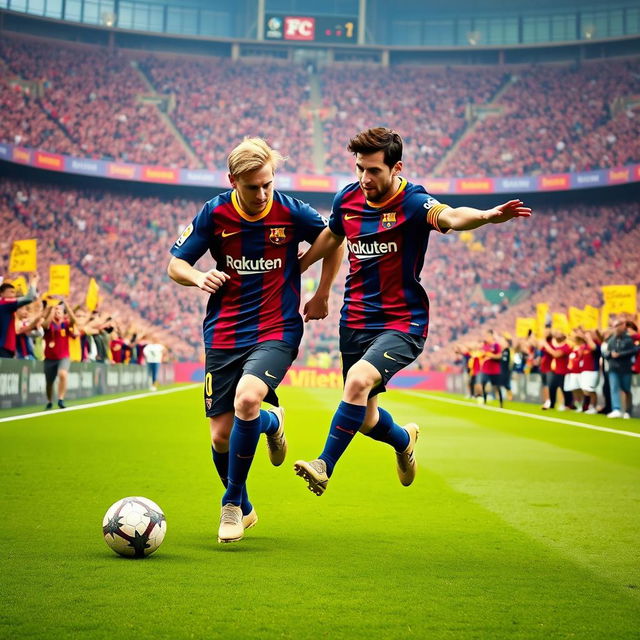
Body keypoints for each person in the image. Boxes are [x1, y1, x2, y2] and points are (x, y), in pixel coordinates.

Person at [293, 127, 531, 496]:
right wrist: (306, 269)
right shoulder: (348, 198)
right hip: (355, 318)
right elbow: (334, 234)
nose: (364, 178)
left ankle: (324, 465)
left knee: (357, 381)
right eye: (359, 168)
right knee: (366, 417)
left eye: (373, 170)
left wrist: (485, 216)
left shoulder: (413, 201)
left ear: (396, 167)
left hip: (403, 321)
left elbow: (450, 217)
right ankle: (404, 440)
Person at [167, 137, 343, 543]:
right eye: (252, 186)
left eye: (267, 183)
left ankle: (229, 504)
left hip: (276, 327)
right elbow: (175, 263)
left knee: (248, 397)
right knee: (220, 434)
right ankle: (267, 440)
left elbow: (335, 238)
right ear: (232, 180)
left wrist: (322, 292)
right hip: (224, 331)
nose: (263, 193)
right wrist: (198, 277)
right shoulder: (214, 214)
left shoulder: (292, 211)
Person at [42, 297, 78, 410]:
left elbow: (74, 321)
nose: (57, 312)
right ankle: (49, 401)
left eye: (59, 310)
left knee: (63, 374)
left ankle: (60, 399)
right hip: (49, 357)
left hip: (63, 356)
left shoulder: (65, 325)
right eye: (55, 310)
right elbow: (44, 325)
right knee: (49, 382)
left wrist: (66, 305)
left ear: (63, 314)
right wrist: (51, 312)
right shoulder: (49, 325)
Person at [605, 319, 637, 419]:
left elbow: (634, 350)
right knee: (614, 387)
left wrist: (620, 354)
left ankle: (628, 410)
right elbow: (606, 353)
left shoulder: (629, 339)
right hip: (613, 367)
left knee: (626, 389)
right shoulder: (611, 340)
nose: (616, 328)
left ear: (623, 326)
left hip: (625, 368)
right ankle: (616, 409)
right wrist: (610, 354)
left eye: (618, 325)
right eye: (615, 326)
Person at [0, 275, 39, 358]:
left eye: (14, 292)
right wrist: (33, 281)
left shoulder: (7, 307)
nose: (13, 295)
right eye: (11, 292)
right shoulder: (6, 304)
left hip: (7, 348)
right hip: (3, 348)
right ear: (2, 293)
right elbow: (29, 297)